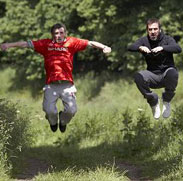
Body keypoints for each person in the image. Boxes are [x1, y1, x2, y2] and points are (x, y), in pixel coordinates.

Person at [0, 23, 111, 132]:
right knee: (49, 111)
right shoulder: (45, 44)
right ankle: (53, 122)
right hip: (51, 85)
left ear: (65, 33)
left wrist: (104, 47)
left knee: (72, 110)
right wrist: (9, 45)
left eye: (61, 33)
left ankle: (63, 121)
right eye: (56, 33)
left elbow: (90, 43)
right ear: (52, 34)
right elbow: (26, 44)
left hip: (67, 85)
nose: (59, 35)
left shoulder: (71, 42)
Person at [128, 18, 182, 119]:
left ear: (159, 29)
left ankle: (166, 101)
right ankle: (153, 102)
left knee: (173, 72)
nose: (153, 32)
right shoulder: (144, 40)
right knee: (138, 76)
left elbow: (178, 49)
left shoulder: (167, 39)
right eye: (150, 29)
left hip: (166, 75)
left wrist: (163, 48)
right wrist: (140, 48)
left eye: (155, 29)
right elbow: (130, 47)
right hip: (152, 76)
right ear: (147, 30)